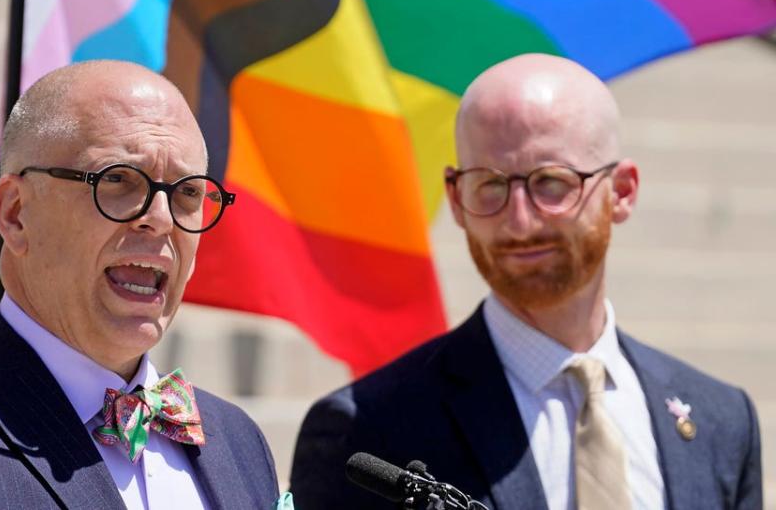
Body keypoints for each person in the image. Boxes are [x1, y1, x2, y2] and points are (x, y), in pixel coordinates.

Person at [289, 54, 761, 509]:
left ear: (622, 192)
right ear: (455, 198)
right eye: (489, 185)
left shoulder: (723, 421)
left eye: (551, 183)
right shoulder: (370, 429)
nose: (519, 222)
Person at [0, 61, 279, 509]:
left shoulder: (236, 440)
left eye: (188, 193)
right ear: (15, 214)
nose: (159, 219)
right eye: (118, 180)